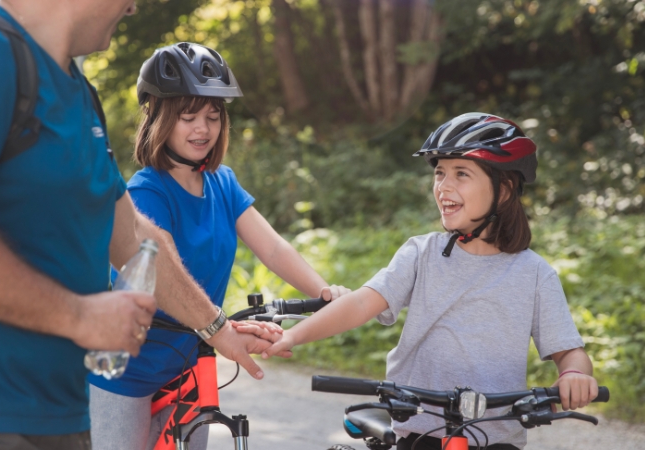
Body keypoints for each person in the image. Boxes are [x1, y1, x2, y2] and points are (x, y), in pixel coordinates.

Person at [0, 2, 285, 449]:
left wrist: (219, 329)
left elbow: (134, 237)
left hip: (63, 413)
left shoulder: (79, 94)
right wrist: (79, 315)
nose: (133, 6)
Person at [252, 113, 600, 450]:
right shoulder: (421, 254)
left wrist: (574, 375)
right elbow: (360, 302)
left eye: (461, 174)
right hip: (421, 432)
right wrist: (293, 336)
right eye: (439, 173)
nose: (443, 186)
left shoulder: (533, 274)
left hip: (497, 439)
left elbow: (569, 351)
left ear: (504, 189)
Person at [87, 42, 349, 450]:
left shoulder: (223, 183)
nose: (202, 129)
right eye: (187, 116)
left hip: (190, 364)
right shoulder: (147, 192)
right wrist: (220, 326)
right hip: (127, 372)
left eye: (212, 116)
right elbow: (163, 274)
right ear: (158, 119)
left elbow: (274, 248)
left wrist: (324, 291)